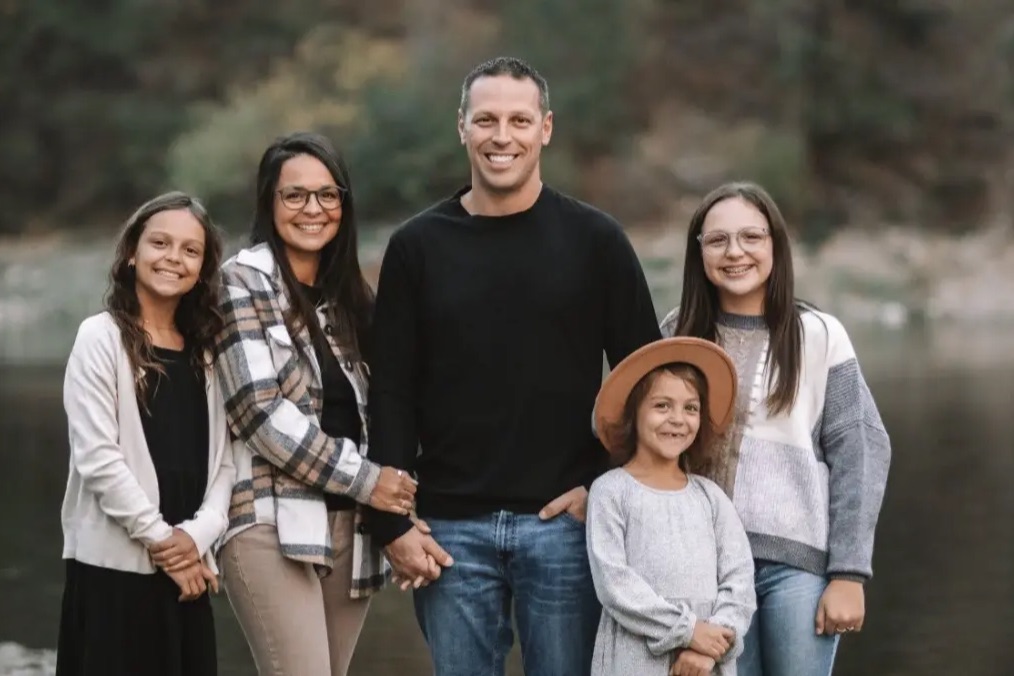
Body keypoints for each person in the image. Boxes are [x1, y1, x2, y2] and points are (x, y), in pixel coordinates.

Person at [366, 56, 662, 676]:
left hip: (565, 525)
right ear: (463, 128)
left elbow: (646, 374)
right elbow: (390, 390)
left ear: (546, 128)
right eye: (488, 120)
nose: (503, 136)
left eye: (520, 120)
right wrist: (391, 521)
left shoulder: (596, 240)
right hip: (448, 530)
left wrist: (608, 484)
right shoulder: (416, 248)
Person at [660, 182, 891, 676]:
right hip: (705, 571)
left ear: (775, 245)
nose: (735, 252)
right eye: (717, 239)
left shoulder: (818, 335)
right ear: (698, 250)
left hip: (797, 571)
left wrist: (849, 573)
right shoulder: (678, 334)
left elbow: (861, 450)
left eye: (751, 237)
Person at [212, 132, 417, 676]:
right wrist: (369, 480)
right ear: (268, 203)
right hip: (268, 521)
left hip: (350, 531)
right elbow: (260, 414)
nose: (313, 210)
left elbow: (394, 404)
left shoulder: (350, 299)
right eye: (295, 195)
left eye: (328, 195)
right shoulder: (241, 283)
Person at [57, 191, 235, 676]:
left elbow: (226, 462)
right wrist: (163, 543)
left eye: (190, 250)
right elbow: (98, 458)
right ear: (132, 252)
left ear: (202, 267)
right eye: (160, 242)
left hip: (191, 567)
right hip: (115, 569)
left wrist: (196, 537)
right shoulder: (100, 337)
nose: (173, 258)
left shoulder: (210, 352)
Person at [587, 336, 756, 676]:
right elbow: (614, 584)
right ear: (633, 413)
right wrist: (688, 631)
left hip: (707, 663)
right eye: (662, 406)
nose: (678, 419)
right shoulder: (610, 491)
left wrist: (712, 646)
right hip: (634, 660)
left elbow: (740, 582)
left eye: (690, 408)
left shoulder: (711, 498)